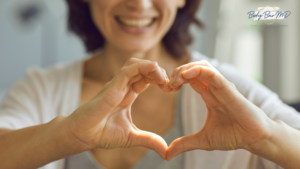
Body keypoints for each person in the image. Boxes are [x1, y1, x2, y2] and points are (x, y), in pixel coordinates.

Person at [0, 0, 300, 169]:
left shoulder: (229, 88)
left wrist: (264, 136)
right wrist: (66, 135)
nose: (139, 4)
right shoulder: (42, 88)